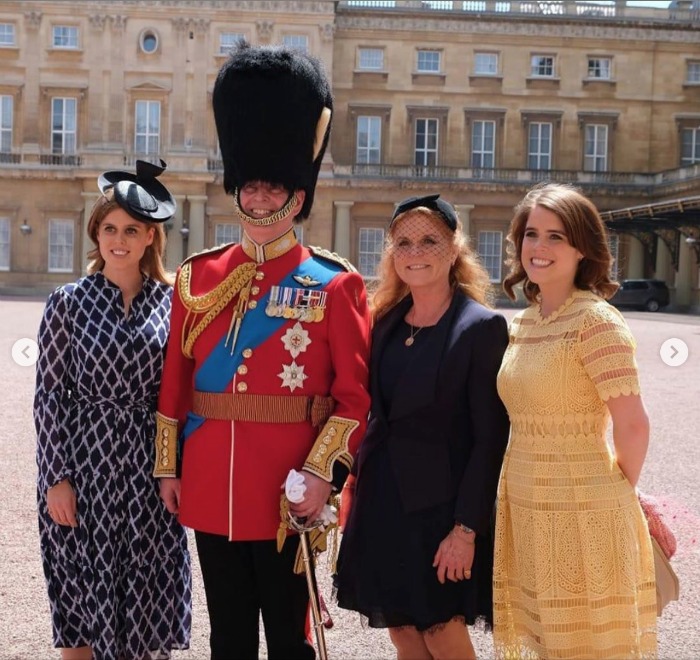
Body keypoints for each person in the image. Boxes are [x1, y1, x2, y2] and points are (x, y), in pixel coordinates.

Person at [154, 41, 371, 659]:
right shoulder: (199, 276)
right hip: (208, 481)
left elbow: (354, 398)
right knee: (226, 635)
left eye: (272, 188)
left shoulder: (334, 283)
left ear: (297, 195)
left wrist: (319, 476)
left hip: (286, 489)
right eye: (249, 188)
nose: (258, 199)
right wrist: (168, 467)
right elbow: (178, 378)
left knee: (286, 634)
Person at [335, 194, 510, 660]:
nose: (415, 252)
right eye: (404, 242)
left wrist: (466, 530)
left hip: (442, 510)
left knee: (441, 633)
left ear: (454, 249)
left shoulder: (481, 327)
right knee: (403, 632)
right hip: (384, 501)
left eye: (429, 240)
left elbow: (490, 440)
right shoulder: (385, 321)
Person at [34, 160, 192, 660]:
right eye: (108, 229)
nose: (118, 240)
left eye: (130, 230)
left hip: (149, 473)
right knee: (80, 599)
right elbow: (50, 394)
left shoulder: (173, 304)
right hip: (85, 467)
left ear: (151, 237)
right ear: (96, 235)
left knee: (148, 598)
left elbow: (183, 395)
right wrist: (55, 477)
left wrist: (179, 469)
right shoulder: (68, 302)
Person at [493, 182, 657, 658]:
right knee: (544, 642)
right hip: (526, 504)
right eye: (531, 234)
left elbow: (633, 425)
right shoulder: (523, 323)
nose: (538, 248)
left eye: (555, 237)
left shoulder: (597, 322)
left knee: (585, 646)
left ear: (582, 247)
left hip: (584, 509)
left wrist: (612, 496)